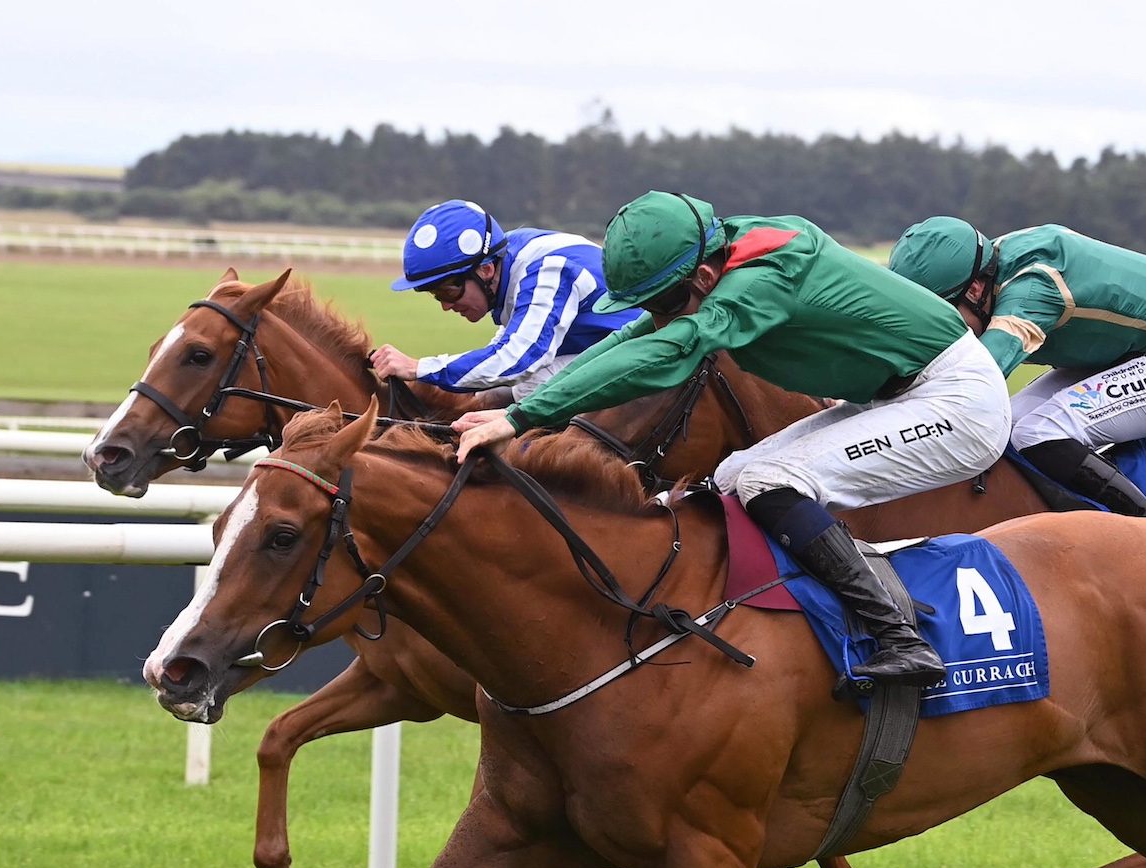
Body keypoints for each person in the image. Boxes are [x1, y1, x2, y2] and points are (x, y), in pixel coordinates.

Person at [454, 191, 1012, 689]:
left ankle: (901, 638)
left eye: (663, 304)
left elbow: (673, 349)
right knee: (730, 477)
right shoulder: (720, 258)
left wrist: (522, 422)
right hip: (895, 394)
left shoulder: (764, 278)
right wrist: (515, 410)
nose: (657, 317)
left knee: (771, 479)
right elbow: (633, 337)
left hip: (958, 400)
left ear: (700, 276)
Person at [886, 217, 1146, 518]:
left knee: (1039, 432)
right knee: (1009, 427)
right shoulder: (984, 267)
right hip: (1119, 353)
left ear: (974, 290)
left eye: (944, 315)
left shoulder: (1034, 290)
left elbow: (978, 378)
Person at [369, 199, 637, 405]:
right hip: (604, 353)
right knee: (489, 395)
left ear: (485, 270)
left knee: (532, 385)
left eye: (448, 291)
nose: (446, 306)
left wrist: (419, 368)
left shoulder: (549, 269)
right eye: (435, 295)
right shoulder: (507, 258)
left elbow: (519, 359)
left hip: (645, 364)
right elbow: (501, 353)